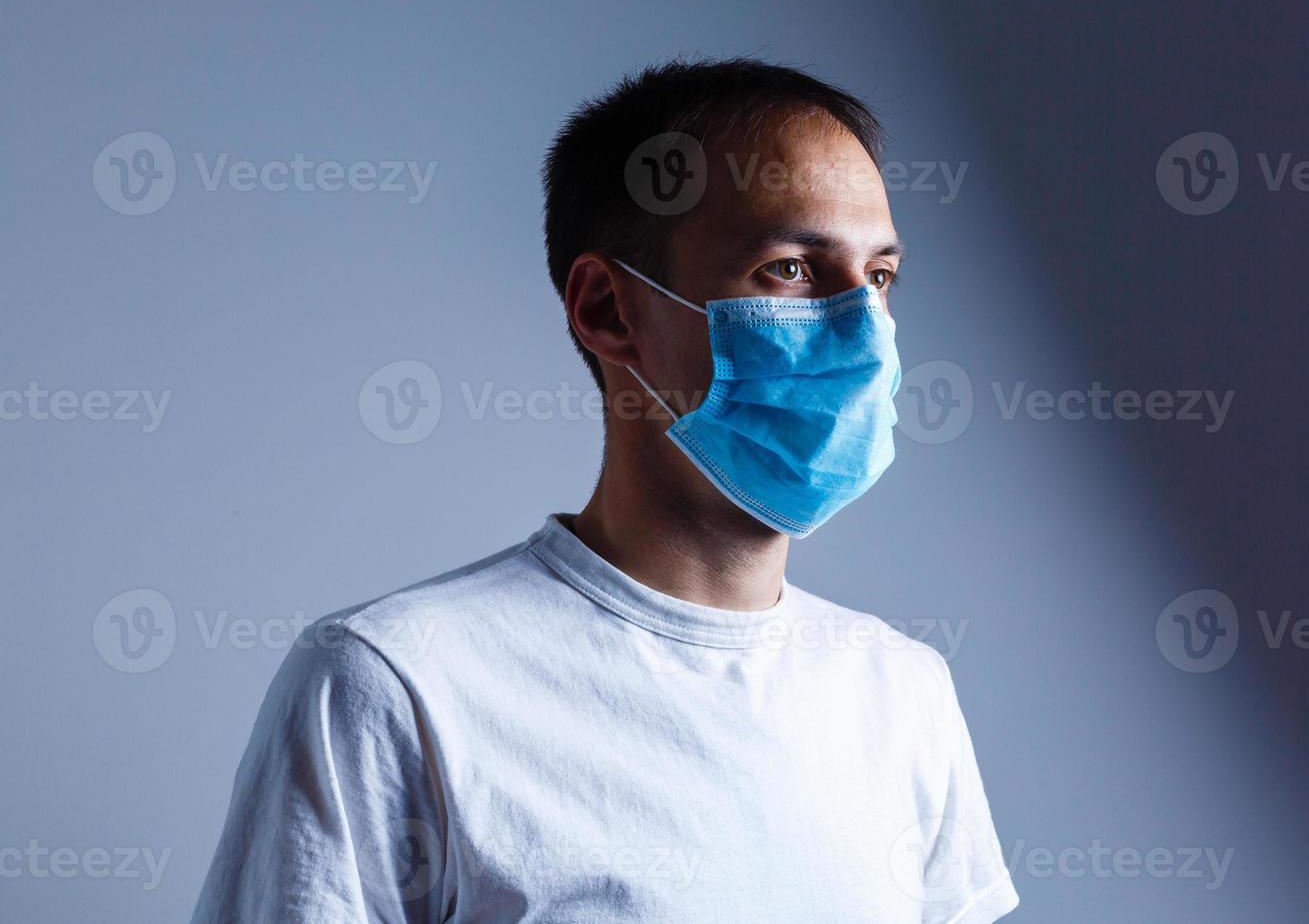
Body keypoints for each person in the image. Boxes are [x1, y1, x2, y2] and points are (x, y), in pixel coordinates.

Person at [191, 57, 1018, 923]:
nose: (862, 327)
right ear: (609, 309)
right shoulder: (397, 684)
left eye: (879, 276)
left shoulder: (900, 690)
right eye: (792, 270)